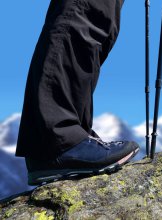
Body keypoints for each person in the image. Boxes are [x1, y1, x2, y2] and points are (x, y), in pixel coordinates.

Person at [15, 0, 140, 186]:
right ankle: (58, 141)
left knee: (100, 21)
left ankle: (70, 139)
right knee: (85, 10)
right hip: (55, 143)